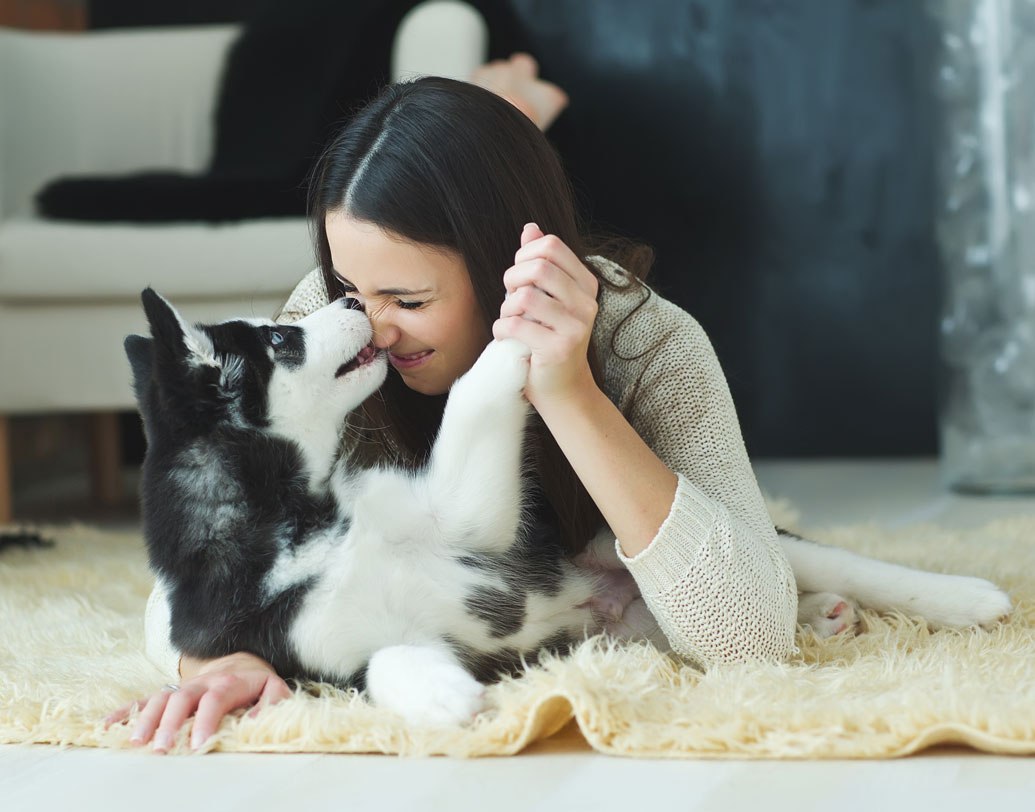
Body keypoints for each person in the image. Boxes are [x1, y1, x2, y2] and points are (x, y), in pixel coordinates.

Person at [108, 54, 798, 753]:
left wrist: (565, 389)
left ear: (503, 269)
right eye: (349, 284)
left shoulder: (645, 342)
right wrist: (221, 658)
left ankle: (513, 102)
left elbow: (750, 637)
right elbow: (201, 562)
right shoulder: (331, 325)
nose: (370, 328)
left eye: (408, 301)